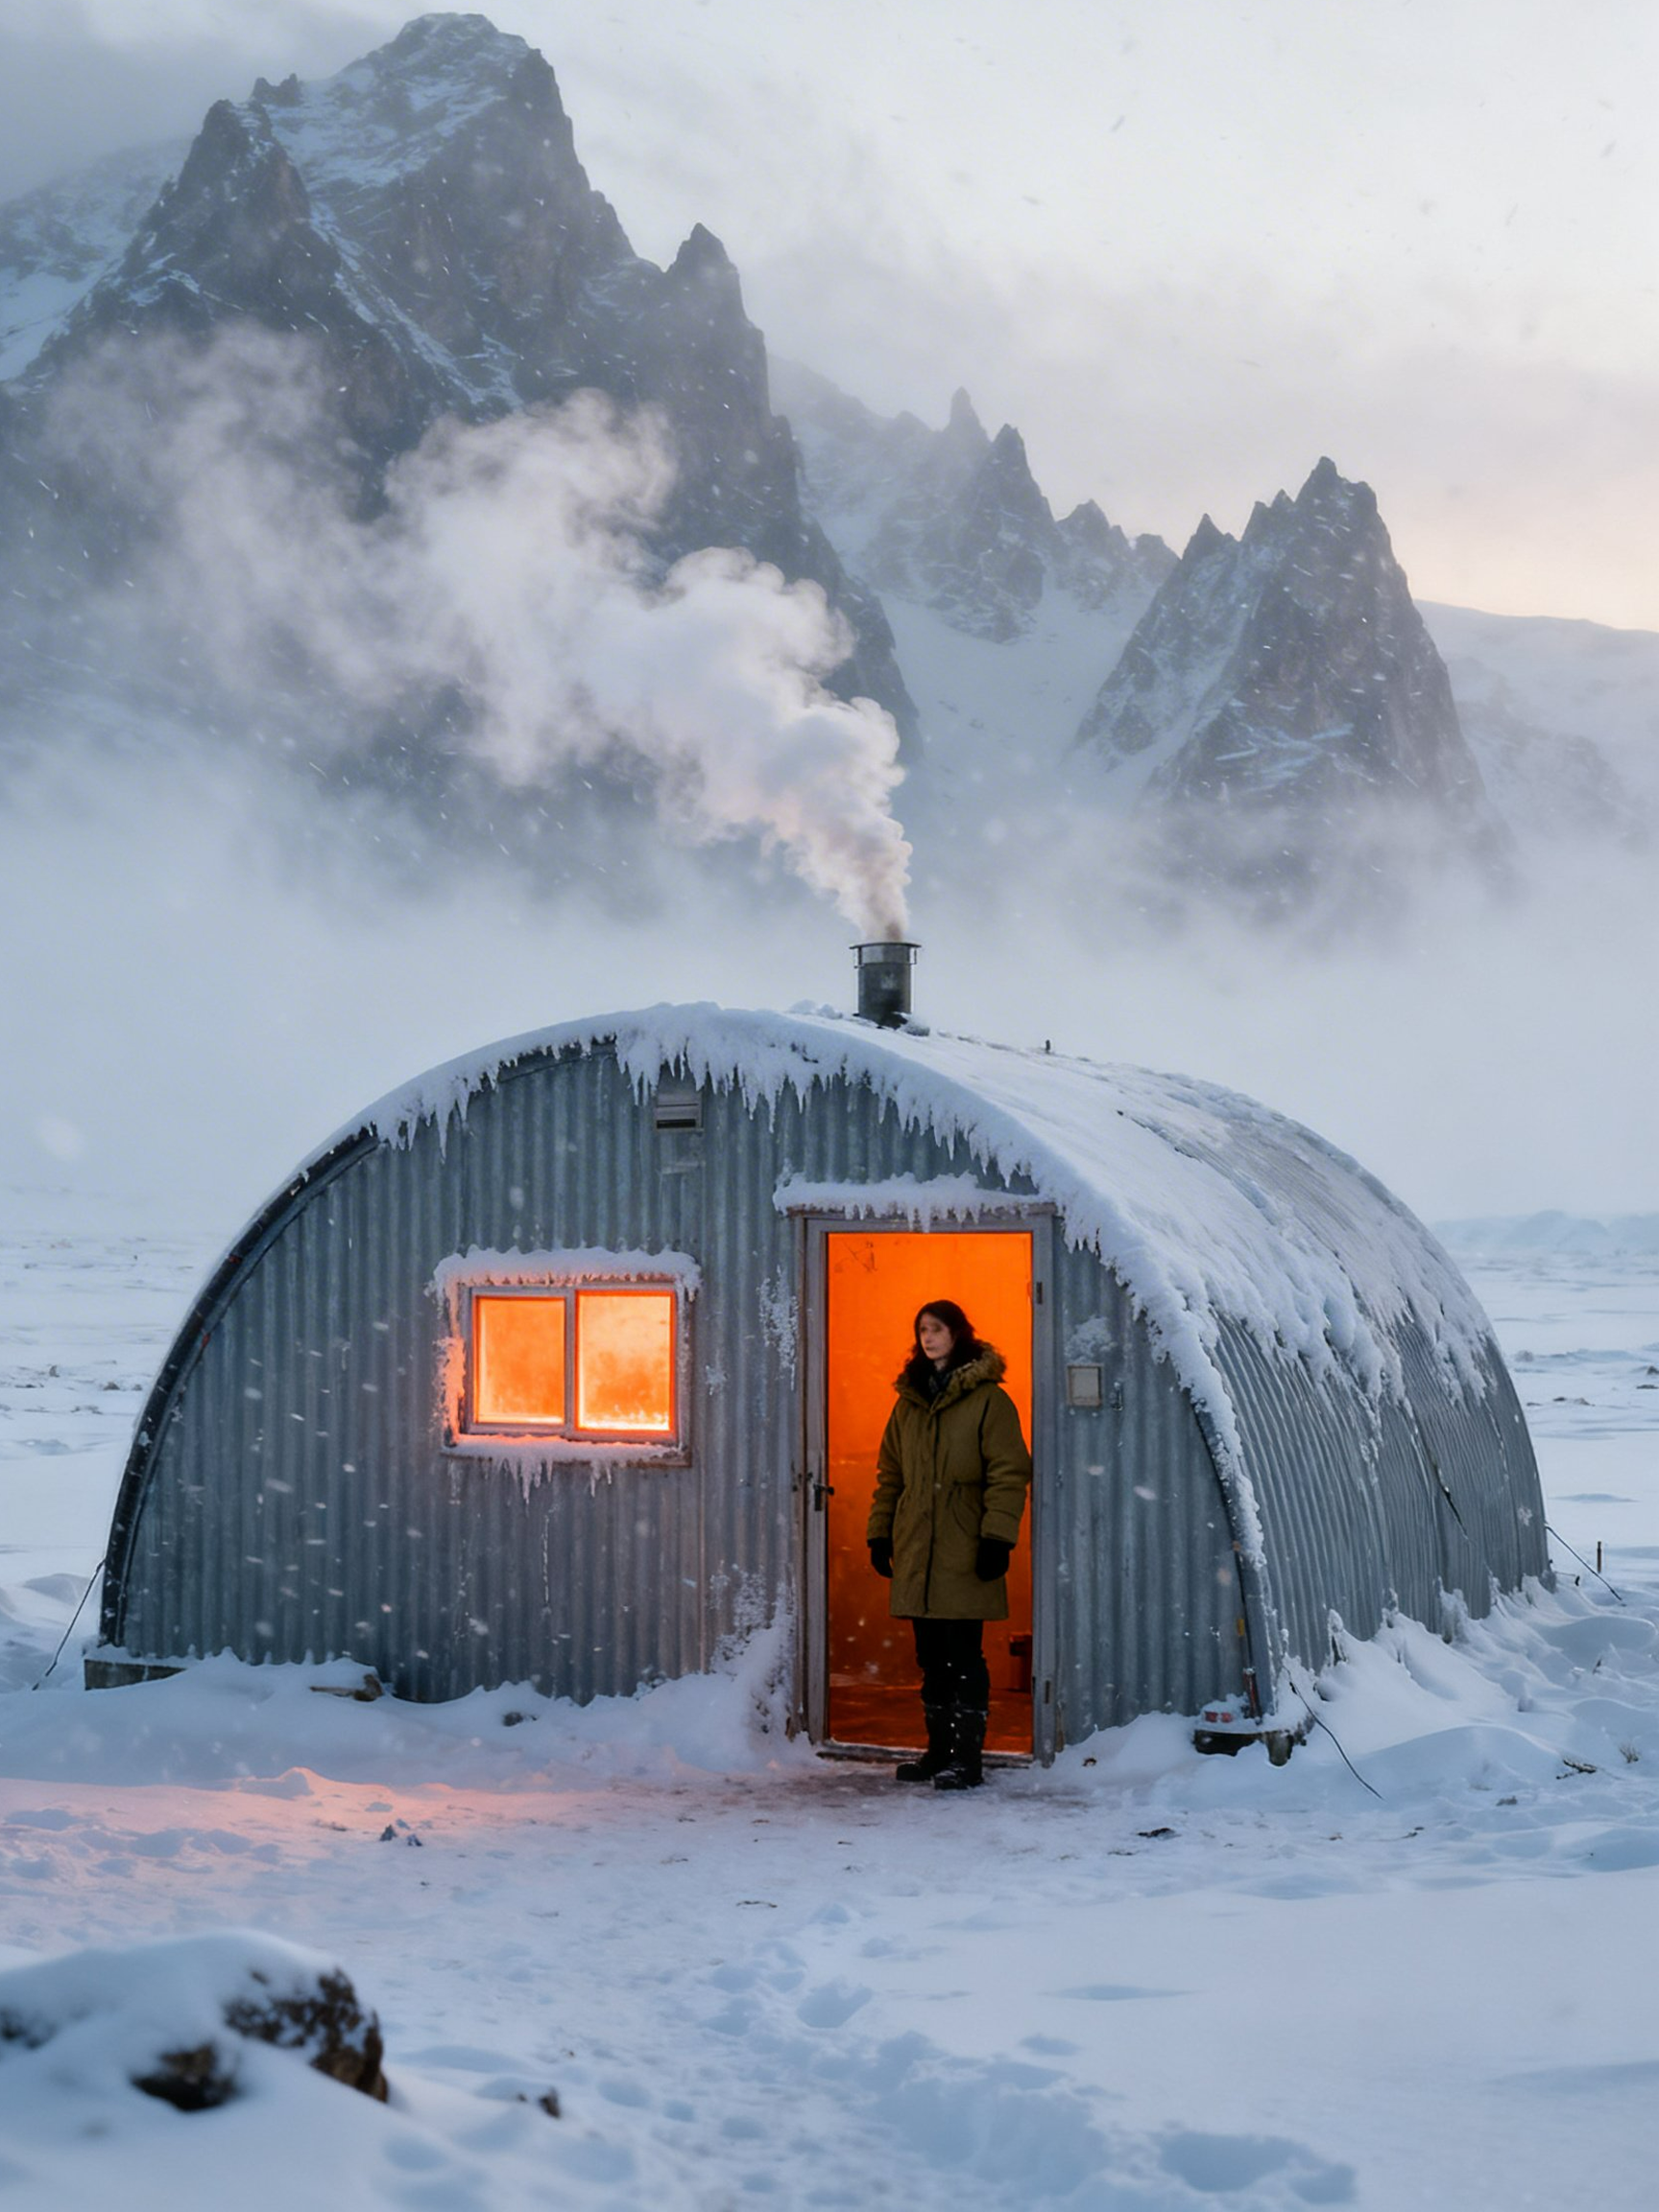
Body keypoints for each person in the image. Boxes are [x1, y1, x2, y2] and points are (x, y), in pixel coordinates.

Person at [866, 1300, 1032, 1790]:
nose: (928, 1337)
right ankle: (938, 1752)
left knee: (964, 1658)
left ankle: (968, 1759)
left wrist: (997, 1537)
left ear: (958, 1334)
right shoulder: (909, 1402)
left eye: (937, 1329)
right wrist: (880, 1532)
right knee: (931, 1660)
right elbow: (890, 1475)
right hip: (918, 1546)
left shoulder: (988, 1401)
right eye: (921, 1329)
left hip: (963, 1546)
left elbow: (1008, 1473)